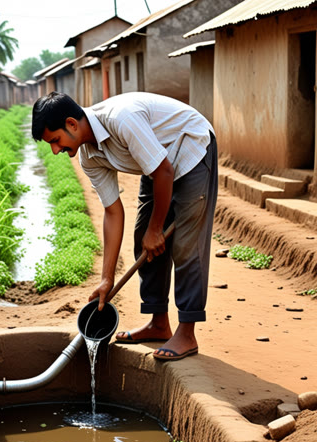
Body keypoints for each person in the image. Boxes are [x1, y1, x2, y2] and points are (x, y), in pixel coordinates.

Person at [31, 91, 217, 361]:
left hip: (191, 148)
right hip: (156, 164)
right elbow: (112, 211)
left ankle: (187, 333)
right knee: (143, 236)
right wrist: (107, 279)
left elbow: (164, 171)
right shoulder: (89, 157)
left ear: (72, 124)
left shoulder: (121, 119)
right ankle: (159, 322)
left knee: (187, 244)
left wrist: (157, 230)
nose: (56, 150)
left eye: (55, 141)